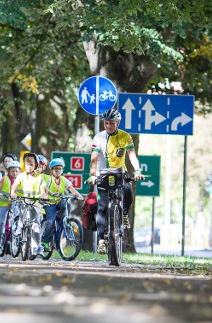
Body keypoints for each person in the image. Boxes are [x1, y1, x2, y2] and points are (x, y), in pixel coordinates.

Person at [86, 108, 145, 254]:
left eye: (112, 123)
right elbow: (93, 159)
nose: (109, 126)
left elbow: (132, 155)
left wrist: (137, 170)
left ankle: (123, 213)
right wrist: (93, 175)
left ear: (118, 123)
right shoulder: (98, 138)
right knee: (102, 207)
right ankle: (101, 241)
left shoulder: (125, 136)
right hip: (103, 174)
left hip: (120, 172)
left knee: (128, 191)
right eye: (106, 123)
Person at [41, 157, 84, 250]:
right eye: (55, 168)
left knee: (67, 205)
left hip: (59, 202)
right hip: (50, 203)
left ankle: (64, 221)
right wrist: (51, 193)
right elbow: (45, 189)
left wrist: (79, 196)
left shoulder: (64, 180)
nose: (58, 170)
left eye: (60, 168)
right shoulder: (49, 179)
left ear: (62, 170)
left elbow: (72, 189)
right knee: (51, 222)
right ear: (51, 170)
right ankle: (44, 241)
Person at [11, 152, 48, 259]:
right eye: (27, 164)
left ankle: (37, 249)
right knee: (20, 217)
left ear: (36, 165)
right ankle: (17, 230)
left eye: (31, 164)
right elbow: (14, 186)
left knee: (36, 226)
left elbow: (43, 190)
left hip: (35, 204)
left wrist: (43, 196)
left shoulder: (40, 177)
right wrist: (13, 192)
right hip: (23, 201)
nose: (29, 166)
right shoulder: (21, 176)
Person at [0, 160, 20, 246]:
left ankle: (14, 239)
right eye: (12, 171)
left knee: (16, 220)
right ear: (8, 171)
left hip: (15, 203)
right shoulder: (4, 178)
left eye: (16, 171)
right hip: (4, 203)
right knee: (1, 222)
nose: (14, 173)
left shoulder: (20, 180)